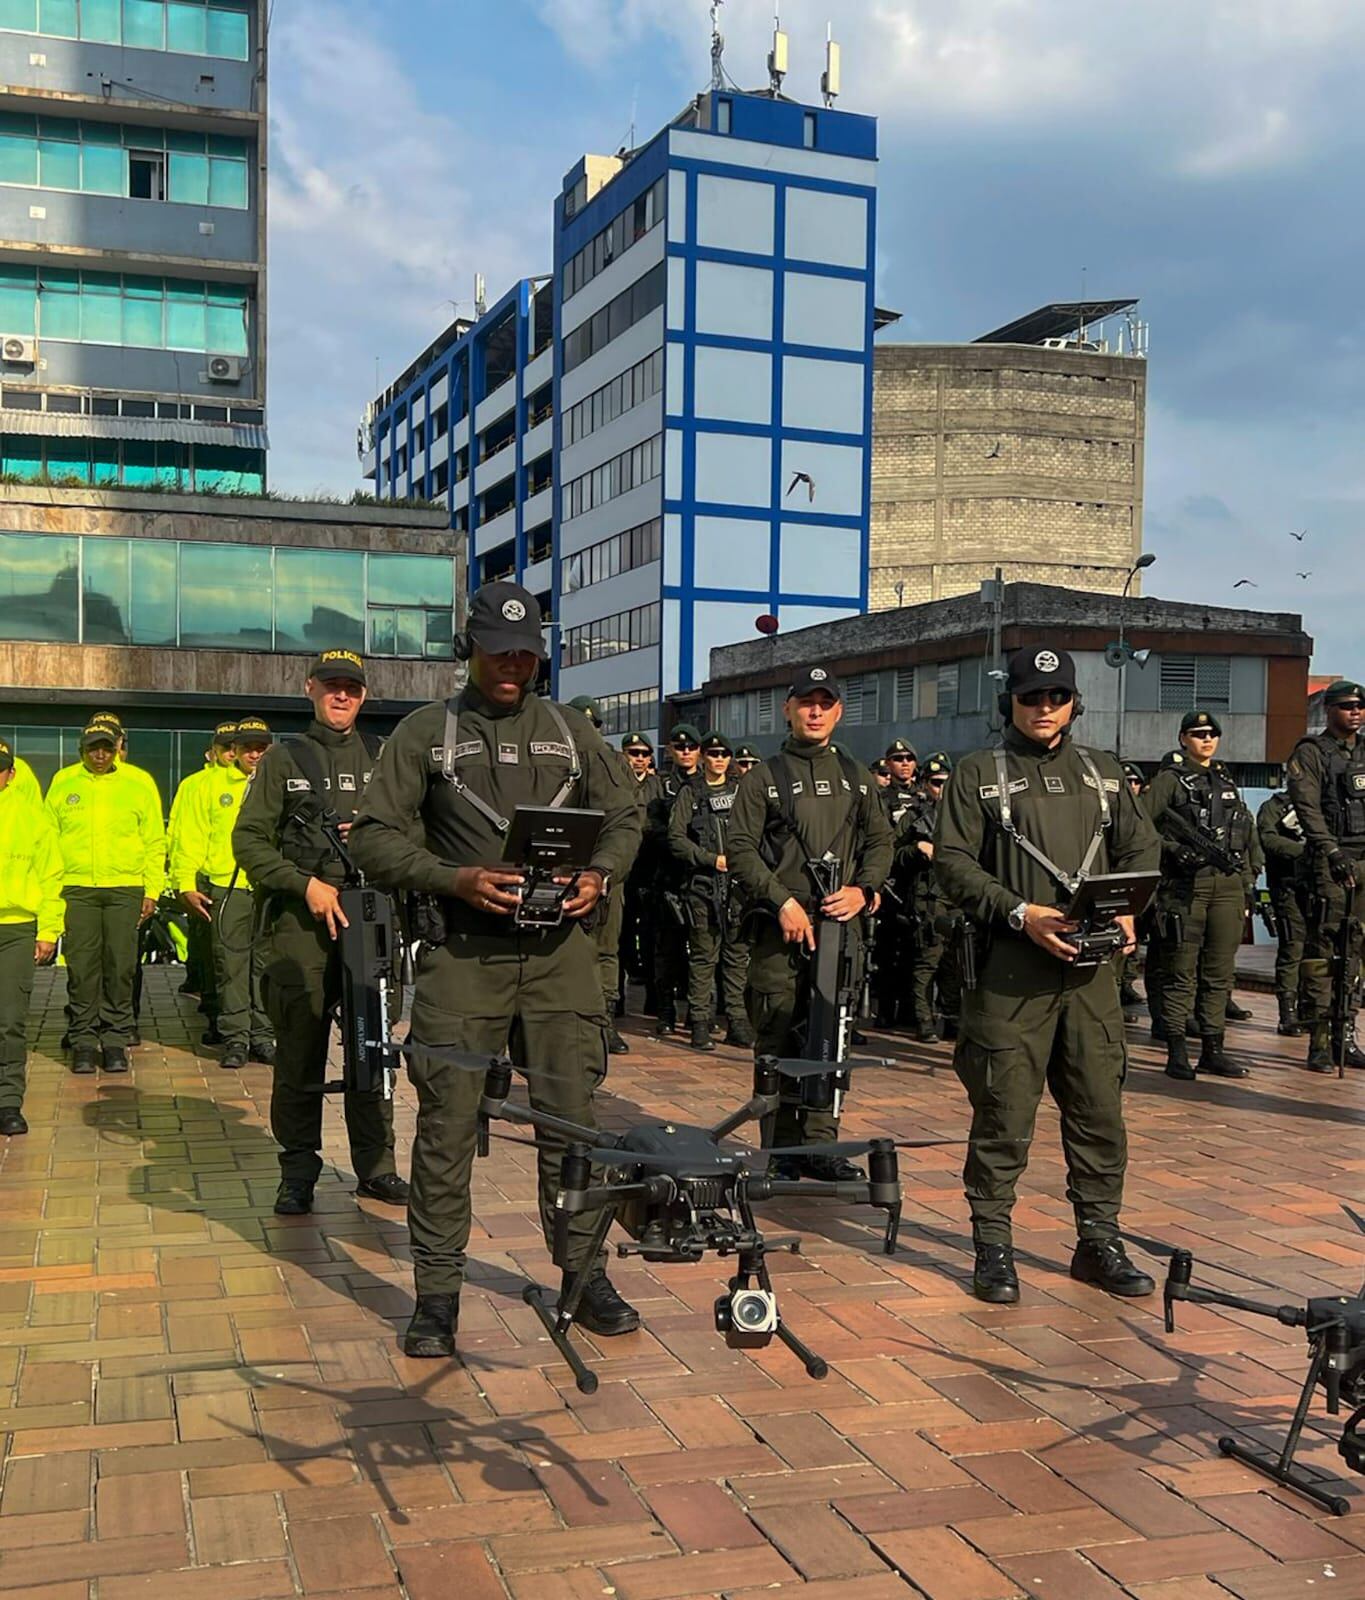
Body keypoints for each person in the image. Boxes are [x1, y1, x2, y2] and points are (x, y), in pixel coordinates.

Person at [349, 581, 643, 1358]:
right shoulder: (424, 734)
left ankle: (583, 1274)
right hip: (464, 958)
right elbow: (373, 839)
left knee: (573, 1126)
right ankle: (437, 1295)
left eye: (525, 652)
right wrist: (456, 879)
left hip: (560, 962)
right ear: (468, 648)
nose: (511, 664)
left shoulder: (572, 731)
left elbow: (625, 815)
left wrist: (600, 873)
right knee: (445, 1130)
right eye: (497, 650)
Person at [934, 645, 1159, 1305]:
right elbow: (950, 862)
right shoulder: (978, 773)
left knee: (1098, 1113)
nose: (1042, 708)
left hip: (1090, 979)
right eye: (1031, 696)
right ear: (1011, 700)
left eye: (1054, 696)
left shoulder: (1103, 773)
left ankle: (1098, 1240)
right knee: (1003, 1114)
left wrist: (1128, 907)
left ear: (1072, 702)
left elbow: (1141, 845)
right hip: (1009, 977)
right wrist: (1016, 911)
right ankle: (993, 1247)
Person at [233, 651, 407, 1214]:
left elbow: (420, 833)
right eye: (331, 686)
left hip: (371, 920)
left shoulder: (386, 758)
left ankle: (377, 1167)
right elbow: (249, 842)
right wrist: (303, 884)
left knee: (372, 1049)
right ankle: (299, 1170)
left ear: (363, 696)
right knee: (300, 1053)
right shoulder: (284, 760)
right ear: (310, 689)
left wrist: (380, 836)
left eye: (351, 689)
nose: (341, 696)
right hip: (301, 927)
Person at [727, 666, 892, 1179]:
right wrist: (780, 901)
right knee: (777, 1037)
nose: (815, 712)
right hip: (782, 929)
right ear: (788, 709)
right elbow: (739, 849)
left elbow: (882, 841)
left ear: (839, 712)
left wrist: (864, 890)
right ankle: (778, 1153)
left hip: (838, 927)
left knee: (830, 1035)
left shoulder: (856, 776)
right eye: (806, 703)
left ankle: (820, 1147)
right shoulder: (763, 777)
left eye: (825, 703)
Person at [1145, 711, 1258, 1082]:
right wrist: (1172, 849)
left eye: (1212, 734)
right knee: (1181, 970)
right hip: (1184, 885)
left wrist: (1244, 888)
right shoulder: (1169, 781)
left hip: (1225, 885)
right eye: (1198, 733)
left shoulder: (1225, 779)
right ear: (1183, 738)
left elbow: (1240, 835)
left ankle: (1213, 1050)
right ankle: (1177, 1051)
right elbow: (1139, 828)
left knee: (1219, 972)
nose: (1207, 739)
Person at [46, 723, 165, 1074]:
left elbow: (154, 840)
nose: (99, 755)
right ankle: (83, 1038)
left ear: (117, 748)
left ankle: (114, 1039)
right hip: (77, 887)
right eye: (92, 749)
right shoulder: (63, 782)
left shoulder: (139, 782)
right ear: (82, 749)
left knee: (120, 966)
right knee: (82, 968)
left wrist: (152, 890)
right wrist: (52, 890)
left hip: (125, 888)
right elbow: (49, 840)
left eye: (106, 748)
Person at [173, 718, 275, 1071]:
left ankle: (264, 1035)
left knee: (266, 967)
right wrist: (185, 883)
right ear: (235, 751)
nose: (255, 754)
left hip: (270, 887)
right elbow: (190, 836)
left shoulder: (280, 782)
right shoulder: (209, 785)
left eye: (262, 748)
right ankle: (236, 1037)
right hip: (227, 888)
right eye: (248, 747)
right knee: (230, 966)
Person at [1287, 679, 1365, 1072]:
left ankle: (1345, 1036)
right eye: (1347, 705)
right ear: (1330, 709)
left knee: (1355, 953)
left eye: (1360, 706)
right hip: (1329, 862)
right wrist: (1331, 851)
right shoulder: (1312, 752)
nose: (1355, 712)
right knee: (1324, 952)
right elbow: (1307, 808)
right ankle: (1318, 1041)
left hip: (1363, 861)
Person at [669, 729, 752, 1051]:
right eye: (713, 754)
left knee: (736, 956)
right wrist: (709, 859)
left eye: (724, 754)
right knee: (704, 957)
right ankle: (700, 1022)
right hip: (702, 886)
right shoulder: (691, 792)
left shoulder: (741, 791)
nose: (719, 760)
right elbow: (676, 838)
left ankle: (737, 1021)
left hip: (737, 888)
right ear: (704, 756)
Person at [0, 738, 63, 1134]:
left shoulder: (32, 815)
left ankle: (8, 1102)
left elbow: (50, 875)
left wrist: (49, 929)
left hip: (16, 929)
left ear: (11, 772)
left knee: (9, 1020)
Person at [568, 697, 630, 1054]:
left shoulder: (612, 762)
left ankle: (605, 1022)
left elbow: (628, 814)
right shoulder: (555, 756)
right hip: (566, 869)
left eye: (591, 725)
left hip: (606, 871)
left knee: (607, 949)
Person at [169, 721, 238, 1039]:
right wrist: (182, 878)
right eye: (225, 748)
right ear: (212, 751)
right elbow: (180, 832)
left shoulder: (250, 781)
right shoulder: (195, 784)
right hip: (203, 876)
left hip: (236, 879)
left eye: (234, 747)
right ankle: (213, 1011)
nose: (230, 753)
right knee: (208, 951)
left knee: (227, 955)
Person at [643, 723, 702, 1034]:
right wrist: (679, 840)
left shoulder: (709, 783)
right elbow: (650, 826)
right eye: (680, 748)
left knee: (702, 951)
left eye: (691, 747)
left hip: (700, 878)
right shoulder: (660, 784)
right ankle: (666, 1012)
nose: (686, 752)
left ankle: (697, 1011)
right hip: (668, 876)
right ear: (670, 751)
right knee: (668, 949)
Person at [909, 751, 960, 1042]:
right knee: (928, 959)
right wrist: (918, 849)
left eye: (946, 782)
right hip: (929, 896)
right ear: (925, 783)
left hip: (955, 894)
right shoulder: (916, 816)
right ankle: (923, 1020)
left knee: (955, 960)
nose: (941, 788)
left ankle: (952, 1017)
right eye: (936, 782)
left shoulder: (960, 815)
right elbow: (893, 853)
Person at [1257, 774, 1314, 1038]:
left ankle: (1311, 1008)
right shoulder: (1274, 806)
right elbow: (1267, 839)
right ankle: (1288, 1013)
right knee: (1293, 946)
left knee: (1319, 947)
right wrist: (1303, 852)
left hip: (1319, 887)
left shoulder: (1321, 804)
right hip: (1288, 885)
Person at [871, 740, 919, 1032]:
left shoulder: (923, 797)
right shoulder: (879, 798)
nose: (904, 763)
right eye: (898, 758)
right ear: (887, 764)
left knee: (914, 952)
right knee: (886, 953)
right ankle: (885, 1012)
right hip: (890, 883)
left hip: (917, 884)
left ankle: (911, 1012)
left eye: (909, 758)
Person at [617, 731, 656, 1016]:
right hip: (623, 871)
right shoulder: (615, 783)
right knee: (621, 935)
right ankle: (616, 1000)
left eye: (643, 754)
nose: (639, 759)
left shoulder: (659, 786)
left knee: (654, 936)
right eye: (633, 753)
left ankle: (654, 1000)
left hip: (651, 871)